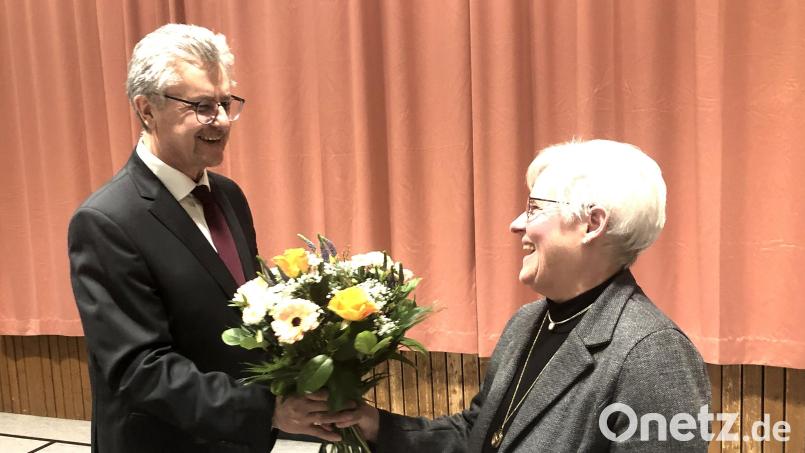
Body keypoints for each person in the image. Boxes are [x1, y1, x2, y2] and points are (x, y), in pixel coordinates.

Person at [68, 24, 350, 453]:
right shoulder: (106, 221)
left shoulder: (228, 195)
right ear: (146, 110)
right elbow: (140, 370)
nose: (219, 120)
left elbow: (243, 315)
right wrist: (267, 410)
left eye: (224, 103)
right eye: (201, 106)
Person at [345, 139, 711, 451]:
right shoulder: (526, 323)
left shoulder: (653, 353)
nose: (516, 223)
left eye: (535, 208)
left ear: (591, 224)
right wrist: (374, 424)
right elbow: (480, 434)